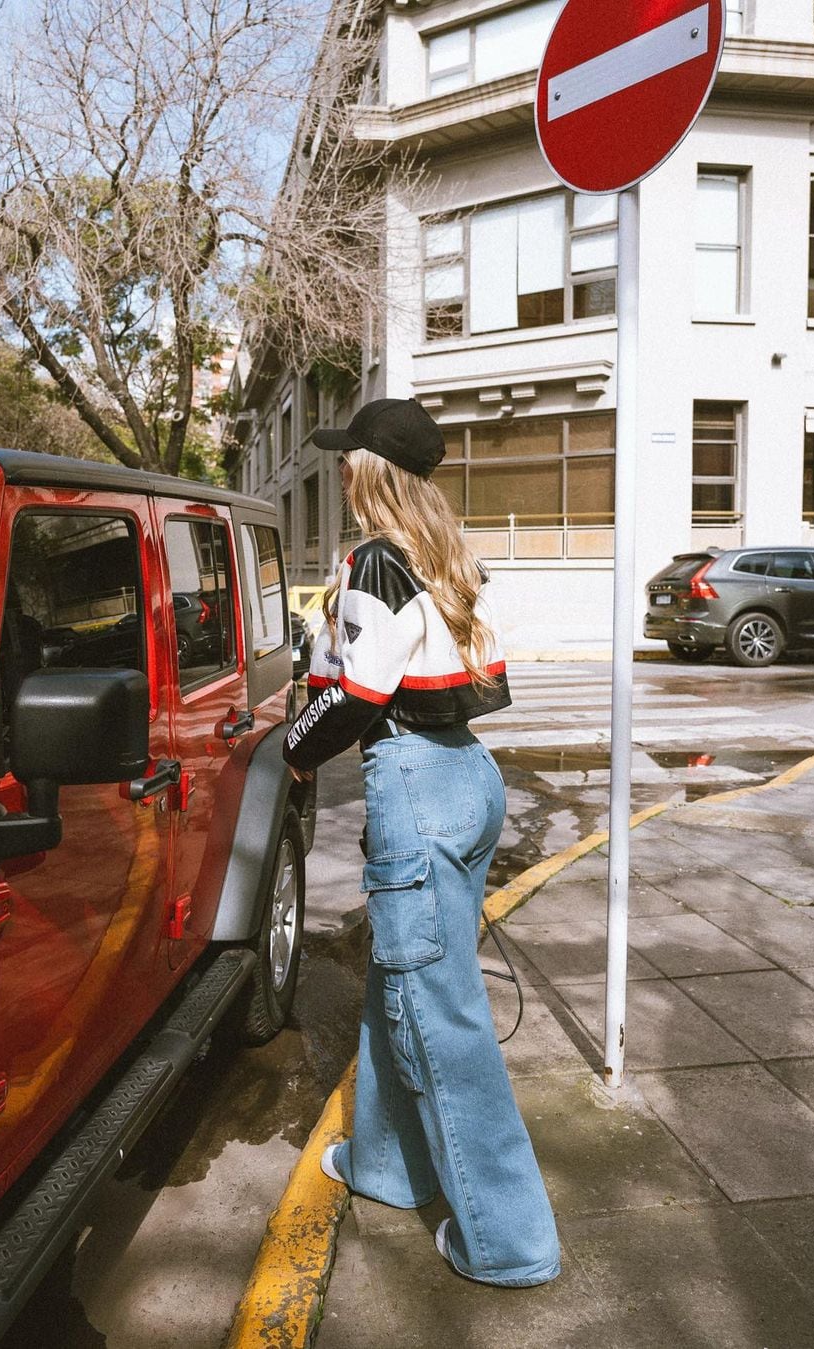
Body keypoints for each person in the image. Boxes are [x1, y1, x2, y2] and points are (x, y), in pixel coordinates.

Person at [282, 398, 560, 1288]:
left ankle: (511, 1241)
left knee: (440, 1016)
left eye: (346, 460)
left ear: (369, 470)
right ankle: (386, 1166)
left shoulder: (373, 561)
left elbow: (361, 692)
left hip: (414, 782)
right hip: (469, 777)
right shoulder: (446, 558)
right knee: (396, 982)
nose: (338, 473)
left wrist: (293, 750)